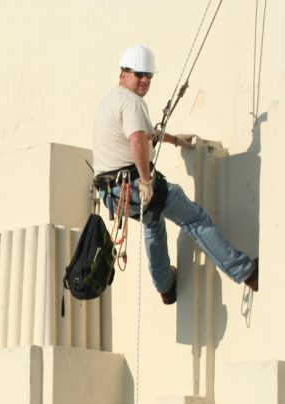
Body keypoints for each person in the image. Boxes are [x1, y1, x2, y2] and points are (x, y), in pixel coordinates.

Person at [92, 44, 258, 304]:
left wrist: (175, 140)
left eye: (149, 76)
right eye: (139, 75)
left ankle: (165, 286)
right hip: (132, 185)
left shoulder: (111, 101)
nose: (145, 81)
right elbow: (137, 140)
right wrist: (146, 182)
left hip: (112, 194)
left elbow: (145, 133)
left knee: (153, 222)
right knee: (194, 218)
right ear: (124, 73)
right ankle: (246, 271)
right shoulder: (131, 102)